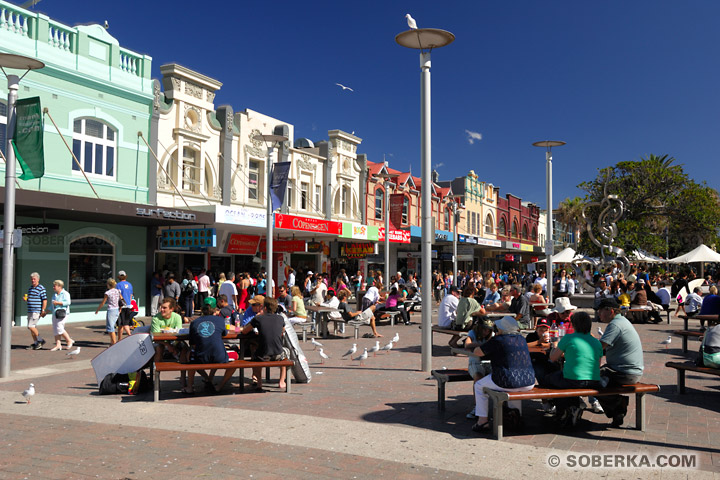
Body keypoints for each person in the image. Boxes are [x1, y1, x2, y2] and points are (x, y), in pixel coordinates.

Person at [470, 316, 535, 433]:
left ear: (502, 329)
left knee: (479, 385)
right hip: (529, 381)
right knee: (515, 389)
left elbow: (477, 352)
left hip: (506, 380)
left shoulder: (499, 340)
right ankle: (515, 417)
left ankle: (482, 421)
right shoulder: (521, 339)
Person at [543, 311, 604, 427]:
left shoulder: (569, 338)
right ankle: (573, 405)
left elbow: (553, 358)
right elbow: (598, 364)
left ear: (574, 325)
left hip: (573, 380)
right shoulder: (596, 342)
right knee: (563, 378)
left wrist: (555, 344)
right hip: (594, 380)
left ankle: (565, 409)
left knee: (549, 378)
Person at [597, 297, 644, 427]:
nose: (598, 314)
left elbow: (599, 347)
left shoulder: (615, 325)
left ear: (610, 311)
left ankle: (618, 404)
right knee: (595, 377)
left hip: (625, 373)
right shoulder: (622, 321)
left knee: (589, 379)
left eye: (600, 311)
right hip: (628, 370)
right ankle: (617, 407)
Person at [183, 297, 237, 394]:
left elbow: (193, 344)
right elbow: (224, 334)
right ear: (215, 308)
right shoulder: (220, 320)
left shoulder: (194, 322)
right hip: (219, 357)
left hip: (200, 357)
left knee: (189, 356)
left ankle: (191, 386)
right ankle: (219, 386)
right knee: (235, 356)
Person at [240, 296, 288, 390]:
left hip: (263, 356)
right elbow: (282, 331)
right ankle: (282, 381)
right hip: (278, 354)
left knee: (255, 354)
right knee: (285, 355)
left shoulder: (258, 318)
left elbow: (245, 331)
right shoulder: (280, 319)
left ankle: (259, 383)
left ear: (264, 308)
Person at [463, 317, 494, 419]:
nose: (486, 332)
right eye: (484, 329)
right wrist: (482, 345)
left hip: (489, 362)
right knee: (478, 377)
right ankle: (478, 407)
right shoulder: (472, 333)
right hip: (475, 362)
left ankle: (501, 407)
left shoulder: (491, 336)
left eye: (488, 330)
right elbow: (467, 344)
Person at [151, 297, 184, 363]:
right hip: (159, 341)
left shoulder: (177, 317)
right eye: (161, 307)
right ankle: (156, 371)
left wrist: (173, 346)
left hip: (173, 341)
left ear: (171, 309)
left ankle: (183, 372)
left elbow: (179, 333)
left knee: (185, 348)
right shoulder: (156, 319)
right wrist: (168, 345)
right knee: (159, 348)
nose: (162, 310)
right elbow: (156, 338)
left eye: (164, 308)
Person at [48, 280, 74, 351]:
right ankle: (58, 345)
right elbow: (52, 305)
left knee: (59, 328)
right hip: (55, 313)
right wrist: (46, 311)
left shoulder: (65, 293)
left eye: (55, 286)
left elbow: (68, 302)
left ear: (60, 286)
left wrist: (58, 303)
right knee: (55, 329)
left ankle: (69, 340)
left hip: (62, 313)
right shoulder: (54, 295)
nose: (53, 287)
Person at [24, 272, 47, 350]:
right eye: (32, 279)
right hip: (30, 310)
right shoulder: (30, 288)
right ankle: (36, 343)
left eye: (34, 279)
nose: (33, 280)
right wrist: (26, 299)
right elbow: (31, 299)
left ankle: (40, 340)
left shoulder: (41, 288)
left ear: (38, 279)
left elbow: (44, 300)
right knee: (32, 327)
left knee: (30, 326)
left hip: (36, 311)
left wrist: (43, 310)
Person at [95, 278, 121, 345]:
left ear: (108, 285)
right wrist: (120, 308)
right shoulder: (118, 291)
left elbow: (103, 302)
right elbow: (121, 299)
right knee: (112, 327)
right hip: (117, 309)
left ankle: (114, 343)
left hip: (111, 310)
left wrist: (98, 309)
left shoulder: (108, 293)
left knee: (110, 328)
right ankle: (112, 342)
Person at [116, 270, 135, 341]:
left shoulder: (118, 285)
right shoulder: (130, 284)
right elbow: (131, 295)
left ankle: (130, 337)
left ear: (119, 277)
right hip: (128, 306)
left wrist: (120, 305)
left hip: (122, 306)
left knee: (123, 324)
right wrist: (129, 303)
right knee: (122, 324)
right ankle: (119, 340)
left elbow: (119, 295)